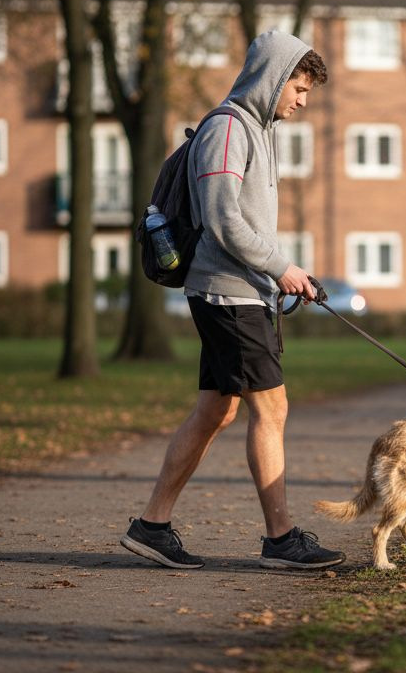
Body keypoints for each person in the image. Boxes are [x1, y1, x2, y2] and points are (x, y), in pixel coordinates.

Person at [120, 31, 343, 570]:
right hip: (229, 296)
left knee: (214, 412)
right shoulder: (226, 130)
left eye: (308, 90)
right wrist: (280, 269)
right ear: (273, 77)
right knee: (272, 408)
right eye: (299, 86)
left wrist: (288, 273)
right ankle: (281, 539)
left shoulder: (257, 132)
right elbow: (223, 222)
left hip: (241, 292)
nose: (302, 100)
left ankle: (152, 526)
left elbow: (250, 223)